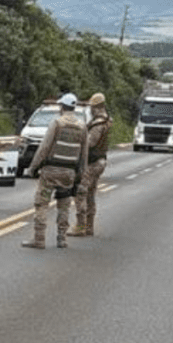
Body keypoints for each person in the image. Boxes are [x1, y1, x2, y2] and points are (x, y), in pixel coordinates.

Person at [23, 92, 88, 249]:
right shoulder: (82, 127)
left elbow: (44, 148)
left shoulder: (57, 123)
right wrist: (80, 176)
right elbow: (83, 155)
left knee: (42, 203)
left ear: (61, 107)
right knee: (64, 205)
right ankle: (62, 238)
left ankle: (39, 239)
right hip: (68, 174)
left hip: (50, 171)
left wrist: (32, 168)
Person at [68, 92, 112, 237]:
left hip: (92, 162)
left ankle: (81, 226)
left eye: (92, 107)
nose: (90, 110)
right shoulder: (106, 120)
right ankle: (89, 227)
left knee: (81, 192)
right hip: (99, 161)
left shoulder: (98, 124)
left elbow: (90, 143)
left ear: (96, 107)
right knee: (90, 194)